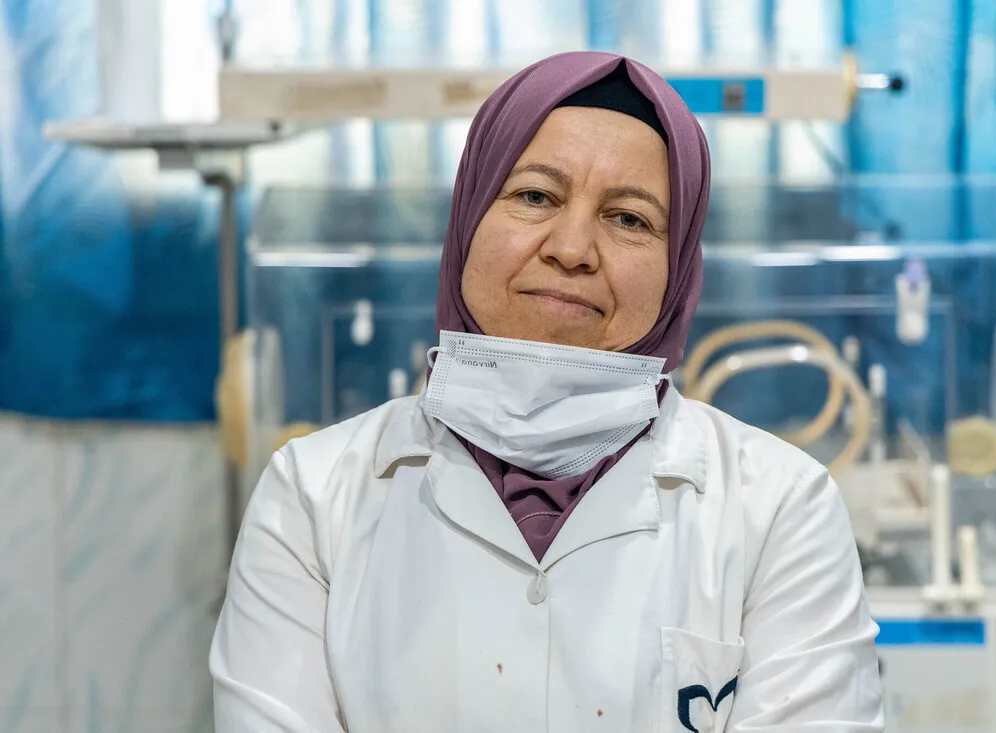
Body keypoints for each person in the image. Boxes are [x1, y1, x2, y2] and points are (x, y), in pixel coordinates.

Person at [210, 51, 884, 732]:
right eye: (535, 196)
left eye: (629, 219)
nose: (572, 248)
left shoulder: (782, 508)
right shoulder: (312, 497)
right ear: (469, 218)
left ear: (678, 268)